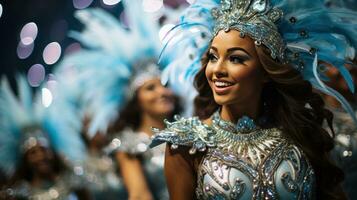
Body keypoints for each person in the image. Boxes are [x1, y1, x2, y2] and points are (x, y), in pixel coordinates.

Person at [150, 0, 357, 199]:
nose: (217, 70)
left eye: (235, 58)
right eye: (213, 57)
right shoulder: (187, 144)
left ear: (266, 72)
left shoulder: (301, 132)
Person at [53, 1, 182, 199]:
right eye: (150, 88)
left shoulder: (190, 128)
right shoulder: (128, 145)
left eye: (165, 84)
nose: (162, 92)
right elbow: (139, 195)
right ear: (136, 101)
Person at [0, 76, 89, 200]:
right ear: (25, 159)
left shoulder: (73, 182)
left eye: (43, 149)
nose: (40, 156)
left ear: (52, 152)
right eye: (33, 153)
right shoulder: (19, 194)